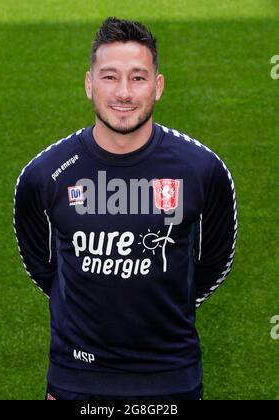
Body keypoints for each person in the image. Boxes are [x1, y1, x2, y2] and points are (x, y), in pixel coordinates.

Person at [13, 17, 238, 401]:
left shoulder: (202, 169)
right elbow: (42, 266)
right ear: (88, 84)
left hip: (171, 377)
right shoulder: (44, 174)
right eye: (109, 77)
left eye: (138, 78)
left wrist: (171, 298)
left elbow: (215, 262)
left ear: (158, 86)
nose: (124, 92)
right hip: (76, 378)